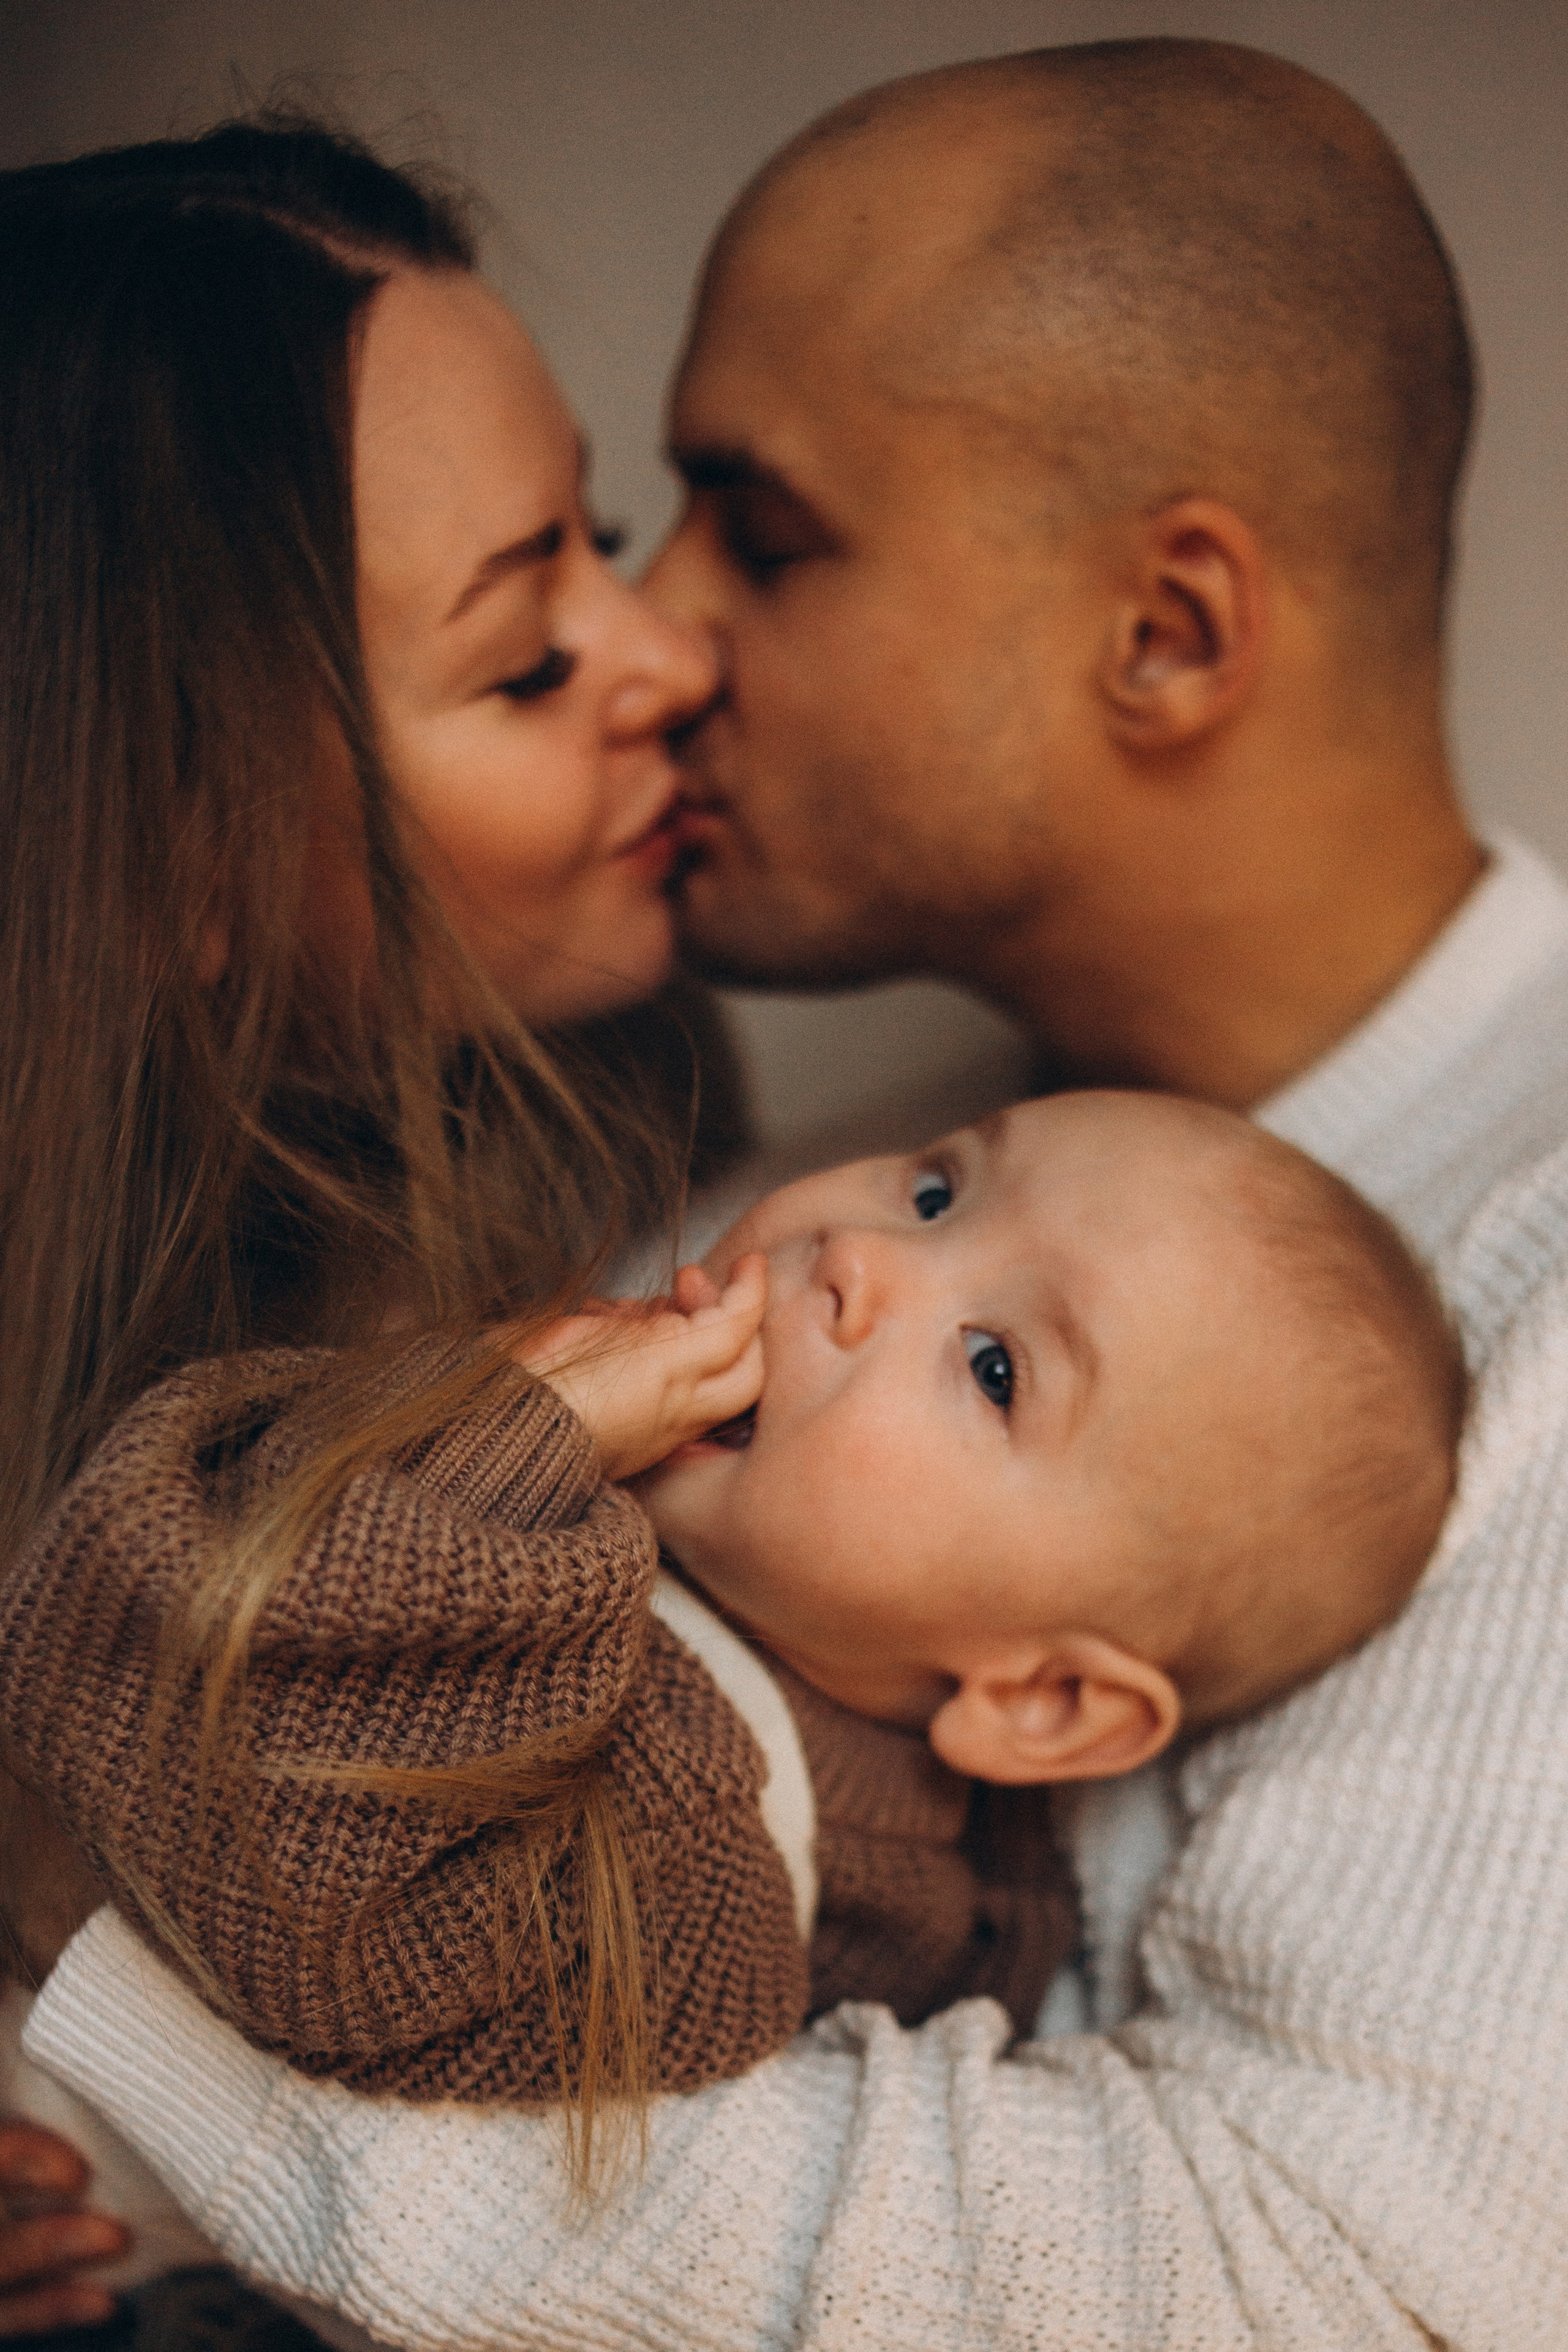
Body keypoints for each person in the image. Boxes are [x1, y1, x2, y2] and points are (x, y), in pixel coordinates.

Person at [14, 35, 1568, 2350]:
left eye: (770, 527)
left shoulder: (1529, 1261)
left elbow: (1358, 2275)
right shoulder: (800, 1176)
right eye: (617, 551)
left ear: (1167, 633)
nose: (673, 641)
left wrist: (115, 2009)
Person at [0, 1091, 1458, 2125]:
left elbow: (247, 1825)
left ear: (1043, 1700)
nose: (856, 1256)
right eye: (937, 1188)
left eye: (996, 1369)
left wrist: (495, 1434)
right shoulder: (672, 1571)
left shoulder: (723, 1850)